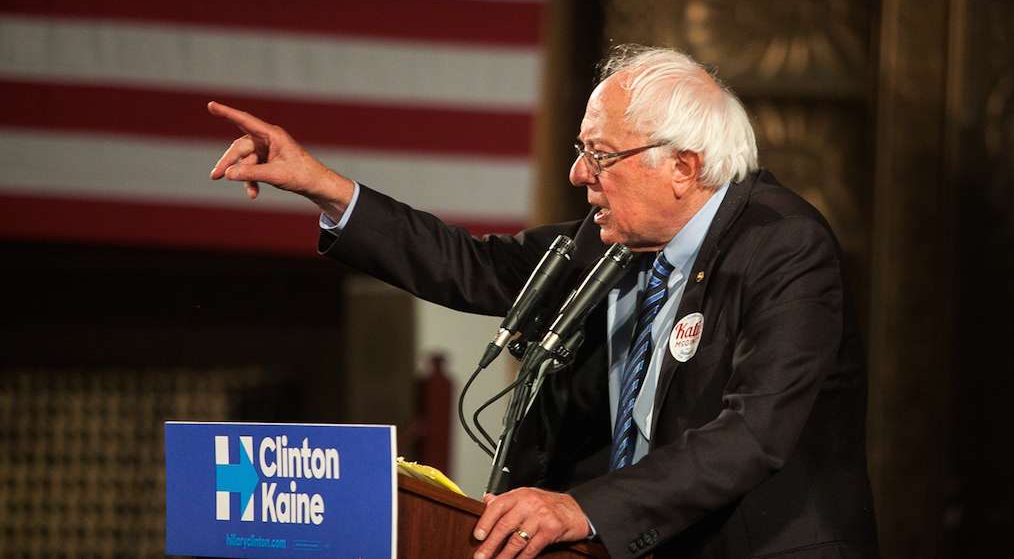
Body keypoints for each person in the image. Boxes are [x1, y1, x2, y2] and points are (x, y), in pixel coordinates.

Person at [208, 46, 878, 559]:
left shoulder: (785, 246)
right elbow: (474, 268)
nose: (578, 173)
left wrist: (580, 509)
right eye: (581, 150)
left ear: (684, 166)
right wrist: (323, 187)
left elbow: (752, 434)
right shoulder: (609, 238)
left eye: (601, 154)